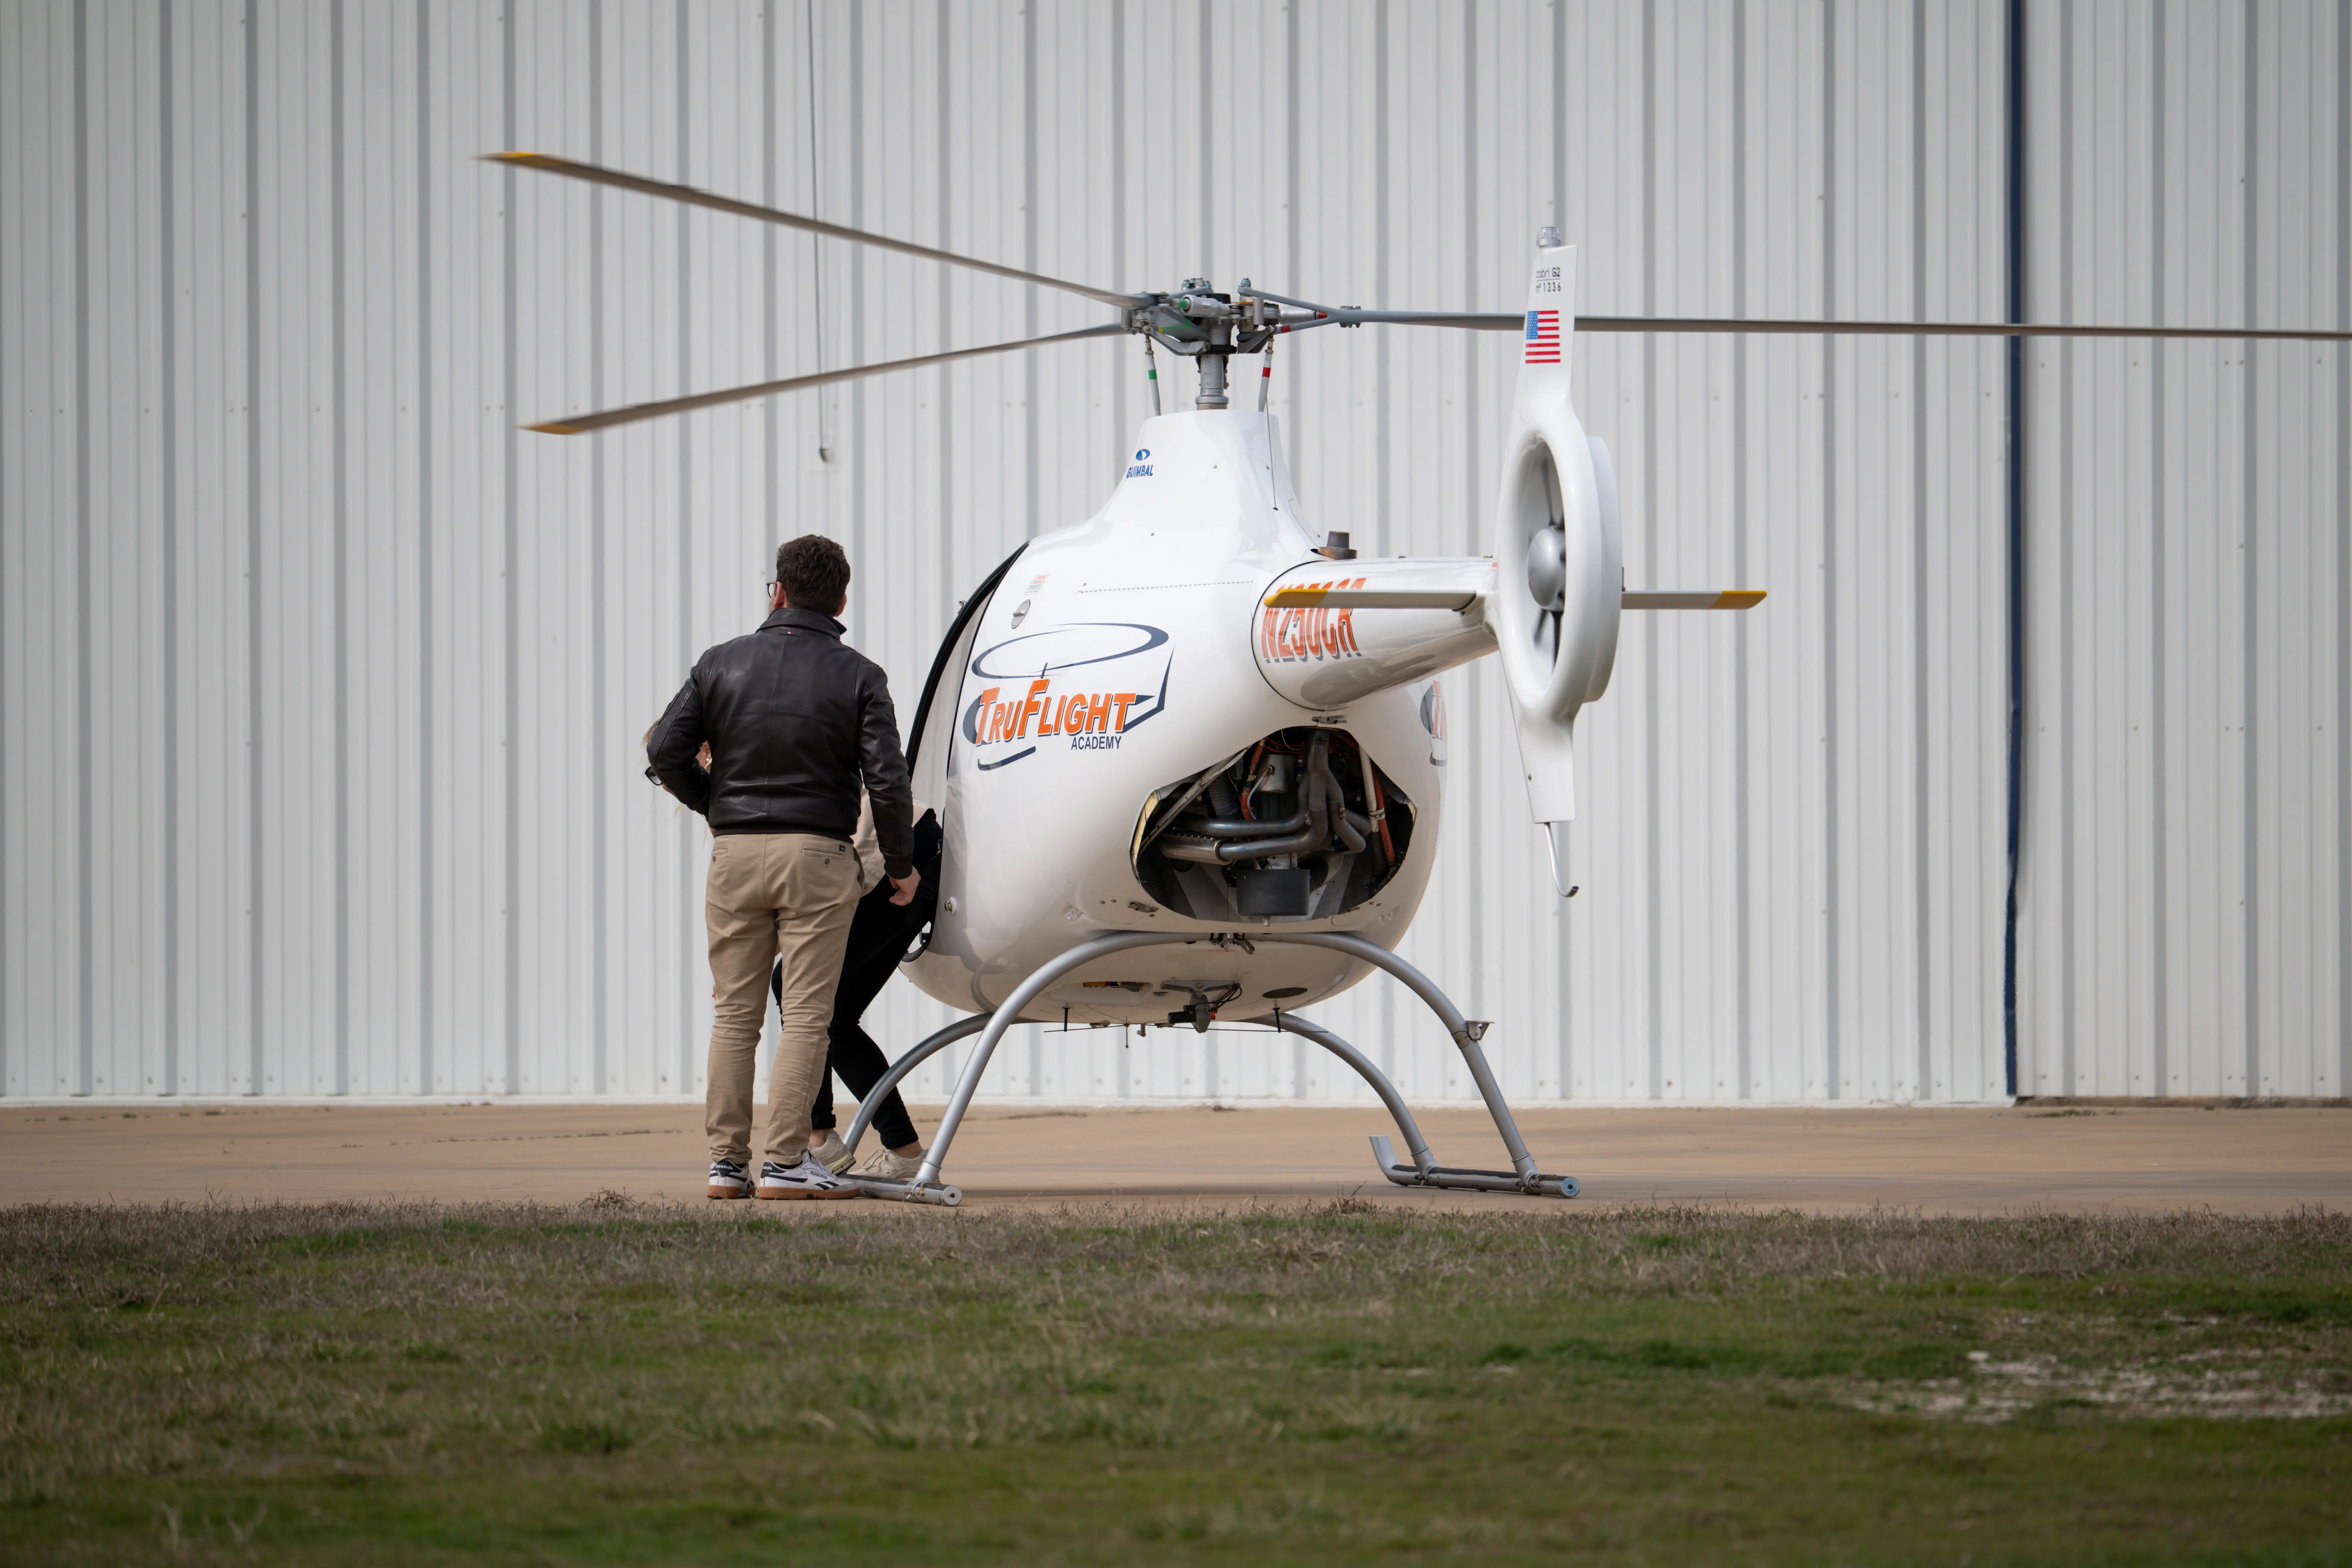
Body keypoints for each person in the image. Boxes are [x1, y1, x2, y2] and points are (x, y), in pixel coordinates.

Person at [647, 535, 918, 1201]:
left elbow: (664, 750)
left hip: (735, 856)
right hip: (818, 857)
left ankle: (726, 1165)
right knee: (806, 1016)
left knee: (734, 1017)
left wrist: (715, 805)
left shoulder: (719, 663)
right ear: (842, 602)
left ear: (777, 592)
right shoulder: (862, 675)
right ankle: (787, 1163)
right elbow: (888, 782)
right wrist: (902, 867)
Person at [796, 794, 944, 1180]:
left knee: (795, 986)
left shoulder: (741, 777)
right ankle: (904, 1151)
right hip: (906, 846)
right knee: (837, 1019)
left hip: (890, 853)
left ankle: (818, 1139)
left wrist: (898, 860)